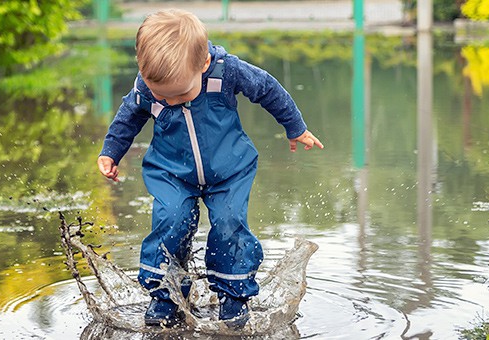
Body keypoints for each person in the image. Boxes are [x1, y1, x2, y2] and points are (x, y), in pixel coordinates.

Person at [97, 9, 323, 328]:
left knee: (230, 223)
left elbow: (268, 89)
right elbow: (129, 116)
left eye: (180, 94)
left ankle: (233, 296)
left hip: (229, 170)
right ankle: (166, 295)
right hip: (171, 172)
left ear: (202, 66)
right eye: (163, 96)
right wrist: (111, 152)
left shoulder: (225, 72)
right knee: (170, 222)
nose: (171, 102)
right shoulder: (148, 86)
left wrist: (294, 127)